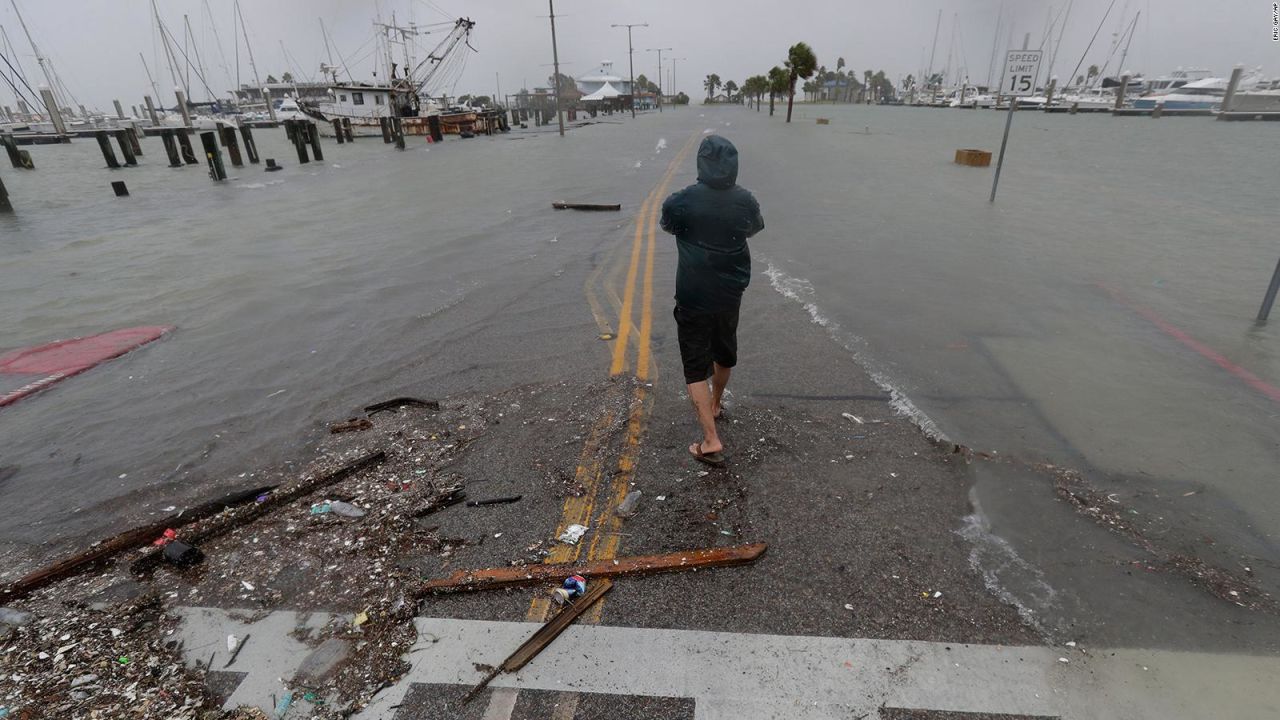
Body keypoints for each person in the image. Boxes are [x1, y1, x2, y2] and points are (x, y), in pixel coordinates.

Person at [659, 135, 764, 467]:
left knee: (694, 367)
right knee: (724, 351)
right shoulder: (745, 200)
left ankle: (709, 439)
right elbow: (753, 229)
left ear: (701, 163)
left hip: (693, 293)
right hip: (730, 291)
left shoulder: (680, 202)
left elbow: (670, 226)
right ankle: (717, 403)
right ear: (733, 164)